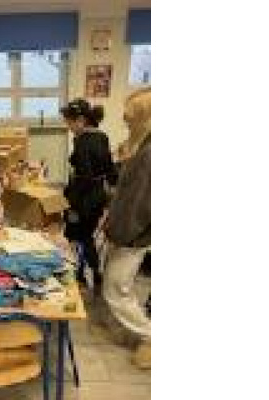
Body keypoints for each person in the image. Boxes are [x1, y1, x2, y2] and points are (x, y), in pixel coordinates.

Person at [101, 87, 151, 369]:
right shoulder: (143, 148)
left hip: (132, 235)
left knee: (115, 289)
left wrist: (121, 233)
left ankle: (149, 337)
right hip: (128, 230)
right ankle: (135, 332)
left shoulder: (149, 153)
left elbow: (140, 203)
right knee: (122, 286)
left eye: (130, 119)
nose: (126, 124)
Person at [60, 98, 117, 294]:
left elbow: (84, 177)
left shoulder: (83, 140)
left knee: (78, 237)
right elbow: (111, 170)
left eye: (69, 122)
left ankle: (82, 276)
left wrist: (73, 206)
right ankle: (93, 274)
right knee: (87, 236)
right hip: (97, 196)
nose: (68, 127)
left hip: (83, 198)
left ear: (81, 120)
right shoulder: (102, 136)